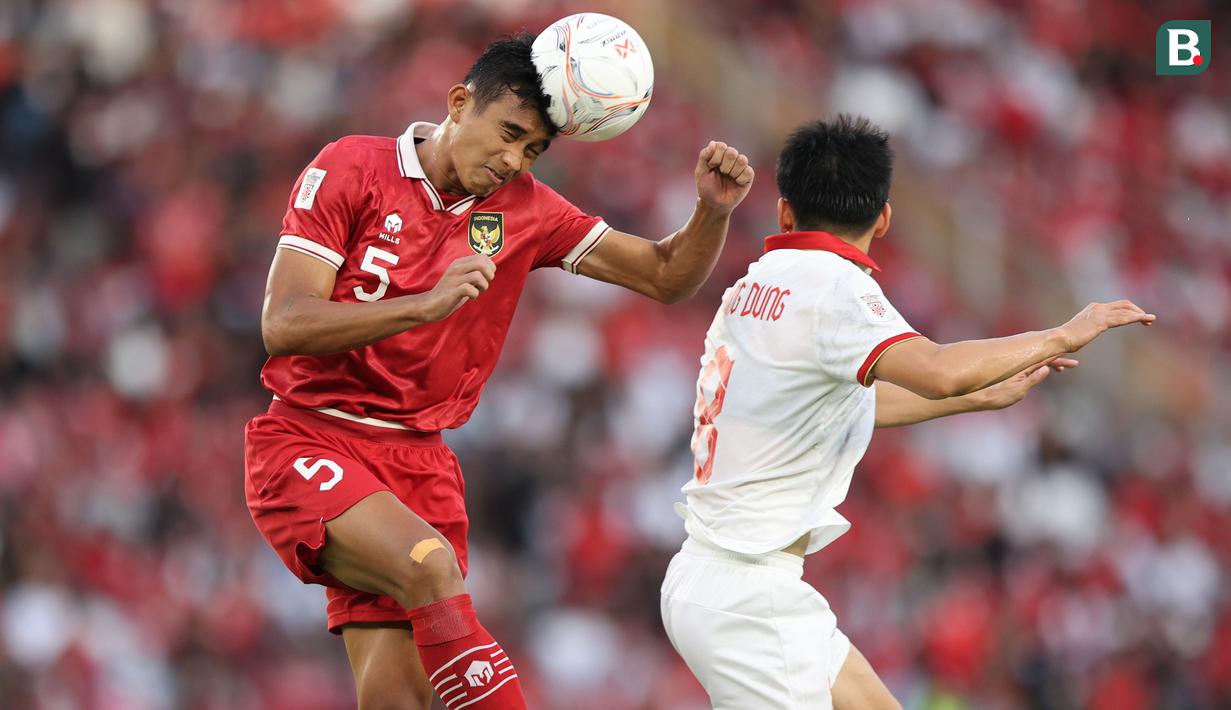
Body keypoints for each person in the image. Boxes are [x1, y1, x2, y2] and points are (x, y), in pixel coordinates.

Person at [243, 33, 753, 710]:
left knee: (400, 699)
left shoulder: (528, 210)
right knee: (428, 566)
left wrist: (710, 213)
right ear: (459, 103)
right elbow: (283, 322)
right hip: (310, 437)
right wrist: (422, 306)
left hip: (420, 462)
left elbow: (663, 276)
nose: (512, 159)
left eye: (533, 149)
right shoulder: (353, 167)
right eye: (508, 133)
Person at [659, 115, 1155, 709]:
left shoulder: (753, 285)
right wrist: (1064, 334)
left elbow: (827, 407)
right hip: (746, 597)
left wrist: (976, 398)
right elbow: (938, 368)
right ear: (884, 217)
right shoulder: (835, 286)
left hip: (724, 580)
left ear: (785, 212)